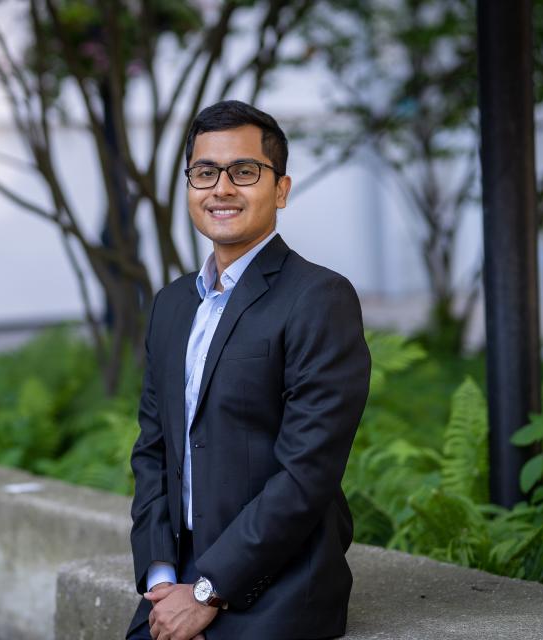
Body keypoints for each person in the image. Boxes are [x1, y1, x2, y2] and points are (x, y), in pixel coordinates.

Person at [127, 100, 371, 640]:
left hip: (279, 585)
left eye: (243, 171)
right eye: (205, 172)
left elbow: (307, 473)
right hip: (177, 578)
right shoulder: (172, 305)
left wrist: (209, 591)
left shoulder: (318, 298)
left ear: (280, 189)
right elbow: (153, 450)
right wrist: (163, 578)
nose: (221, 189)